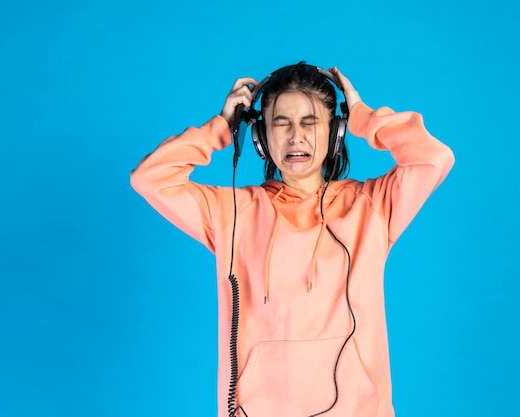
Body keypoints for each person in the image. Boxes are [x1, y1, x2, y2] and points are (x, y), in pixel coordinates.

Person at [130, 62, 454, 417]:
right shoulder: (232, 213)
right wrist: (220, 128)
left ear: (336, 132)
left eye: (310, 123)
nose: (295, 137)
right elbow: (151, 178)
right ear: (260, 137)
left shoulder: (372, 206)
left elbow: (433, 158)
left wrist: (362, 116)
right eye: (281, 123)